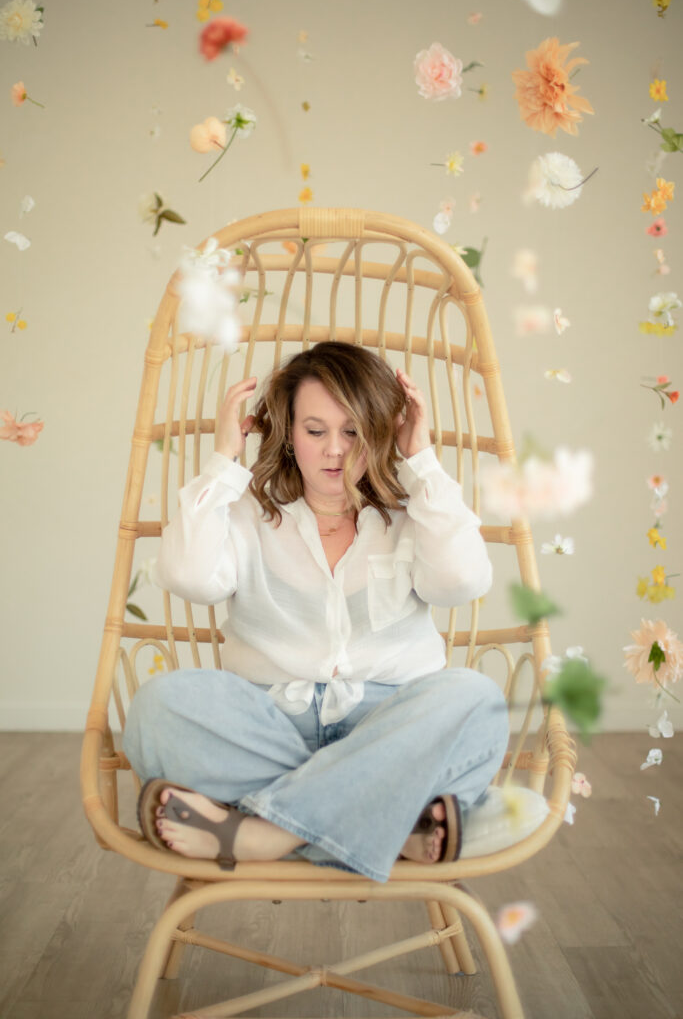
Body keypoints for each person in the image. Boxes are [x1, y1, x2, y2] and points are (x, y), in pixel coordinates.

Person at [123, 341, 509, 883]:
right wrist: (223, 459)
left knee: (476, 701)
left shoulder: (413, 515)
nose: (335, 451)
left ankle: (264, 834)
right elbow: (187, 576)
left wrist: (420, 459)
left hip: (389, 725)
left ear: (380, 429)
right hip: (267, 727)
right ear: (288, 433)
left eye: (353, 431)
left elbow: (463, 581)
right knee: (160, 706)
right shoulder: (246, 516)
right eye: (315, 430)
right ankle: (386, 821)